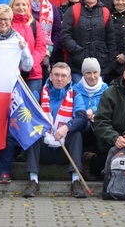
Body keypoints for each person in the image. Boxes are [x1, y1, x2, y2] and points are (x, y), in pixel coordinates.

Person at [0, 5, 33, 186]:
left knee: (10, 134)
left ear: (11, 21)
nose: (3, 23)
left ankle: (4, 170)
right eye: (0, 19)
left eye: (6, 20)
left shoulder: (17, 39)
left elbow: (28, 66)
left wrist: (24, 49)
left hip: (11, 93)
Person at [20, 62, 88, 199]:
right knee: (34, 131)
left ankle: (76, 180)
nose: (59, 79)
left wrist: (66, 127)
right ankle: (33, 180)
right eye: (56, 75)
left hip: (64, 150)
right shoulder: (39, 92)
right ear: (50, 76)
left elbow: (82, 118)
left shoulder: (75, 94)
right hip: (43, 148)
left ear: (69, 79)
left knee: (77, 133)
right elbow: (27, 110)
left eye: (63, 76)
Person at [59, 0, 117, 83]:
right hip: (77, 64)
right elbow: (65, 36)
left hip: (100, 64)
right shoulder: (72, 10)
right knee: (79, 96)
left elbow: (111, 39)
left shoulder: (105, 12)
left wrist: (111, 61)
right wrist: (79, 51)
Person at [72, 58, 109, 170]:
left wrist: (94, 111)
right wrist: (85, 114)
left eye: (95, 72)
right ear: (83, 74)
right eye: (88, 73)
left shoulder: (106, 89)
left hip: (99, 124)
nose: (92, 76)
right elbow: (73, 107)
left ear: (100, 73)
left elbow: (106, 106)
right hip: (83, 125)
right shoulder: (75, 89)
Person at [9, 0, 48, 96]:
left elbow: (41, 47)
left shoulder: (34, 24)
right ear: (11, 7)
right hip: (13, 73)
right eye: (17, 5)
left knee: (31, 107)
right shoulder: (7, 25)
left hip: (33, 75)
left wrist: (29, 65)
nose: (21, 7)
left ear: (28, 6)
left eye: (24, 4)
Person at [25, 0, 61, 77]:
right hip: (26, 52)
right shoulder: (22, 7)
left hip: (47, 55)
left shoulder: (52, 8)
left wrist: (51, 50)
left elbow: (57, 31)